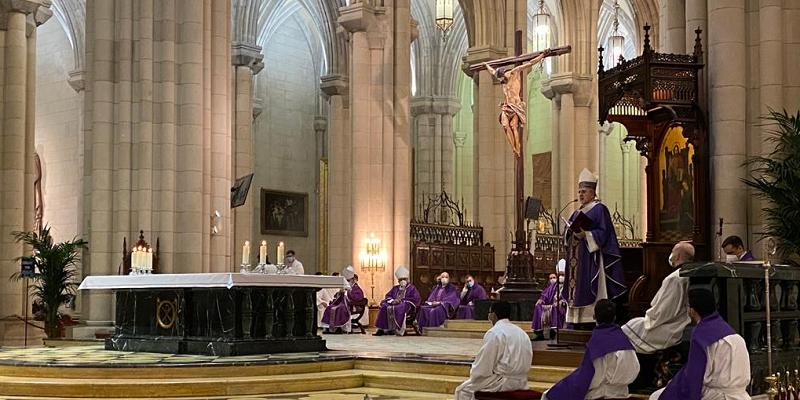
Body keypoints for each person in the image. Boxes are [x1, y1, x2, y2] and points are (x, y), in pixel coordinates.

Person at [649, 289, 750, 400]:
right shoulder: (733, 333)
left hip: (717, 396)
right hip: (741, 394)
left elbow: (695, 375)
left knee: (656, 396)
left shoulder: (701, 333)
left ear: (692, 310)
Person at [564, 168, 626, 326]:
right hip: (576, 261)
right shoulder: (576, 213)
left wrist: (587, 235)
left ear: (593, 192)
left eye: (584, 191)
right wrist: (570, 234)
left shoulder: (599, 209)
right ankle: (575, 320)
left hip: (591, 260)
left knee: (591, 289)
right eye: (579, 192)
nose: (580, 195)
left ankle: (590, 319)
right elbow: (569, 233)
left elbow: (604, 233)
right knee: (575, 289)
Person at [542, 299, 639, 400]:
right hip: (622, 392)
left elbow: (589, 377)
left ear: (594, 317)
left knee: (550, 395)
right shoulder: (625, 339)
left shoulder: (598, 342)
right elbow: (635, 369)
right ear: (614, 317)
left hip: (601, 395)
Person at [622, 241, 694, 353]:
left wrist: (649, 316)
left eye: (672, 252)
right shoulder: (690, 272)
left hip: (673, 326)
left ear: (678, 256)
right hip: (682, 320)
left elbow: (664, 311)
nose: (671, 255)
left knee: (628, 329)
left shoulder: (674, 278)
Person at [454, 301, 532, 400]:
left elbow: (484, 365)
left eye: (489, 313)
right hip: (522, 381)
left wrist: (475, 375)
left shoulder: (495, 332)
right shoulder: (522, 333)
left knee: (463, 390)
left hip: (501, 383)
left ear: (493, 315)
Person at [483, 52, 547, 158]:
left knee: (513, 126)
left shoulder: (514, 73)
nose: (501, 81)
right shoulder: (501, 77)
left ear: (504, 74)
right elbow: (492, 71)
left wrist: (541, 56)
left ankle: (518, 147)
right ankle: (513, 147)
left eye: (502, 79)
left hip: (516, 106)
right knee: (505, 125)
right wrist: (486, 65)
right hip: (507, 106)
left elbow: (529, 64)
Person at [374, 266, 421, 336]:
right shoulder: (395, 288)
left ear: (407, 279)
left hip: (405, 305)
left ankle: (397, 329)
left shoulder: (412, 288)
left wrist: (401, 301)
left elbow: (416, 299)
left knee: (400, 307)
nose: (402, 281)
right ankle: (382, 329)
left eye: (404, 279)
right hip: (394, 303)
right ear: (398, 281)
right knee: (384, 307)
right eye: (400, 279)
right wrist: (392, 300)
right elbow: (388, 296)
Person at [321, 266, 365, 333]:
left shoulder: (357, 289)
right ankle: (330, 328)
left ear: (353, 280)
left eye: (349, 280)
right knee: (330, 307)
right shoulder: (346, 286)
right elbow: (337, 296)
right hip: (342, 303)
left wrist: (349, 292)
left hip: (352, 306)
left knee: (340, 309)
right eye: (347, 280)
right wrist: (340, 293)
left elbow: (357, 298)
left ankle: (339, 328)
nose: (348, 282)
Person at [532, 259, 567, 339]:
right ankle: (539, 333)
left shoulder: (568, 285)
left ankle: (553, 331)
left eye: (563, 275)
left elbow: (569, 297)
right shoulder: (554, 285)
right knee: (538, 306)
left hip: (561, 305)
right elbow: (546, 294)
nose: (561, 277)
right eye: (560, 274)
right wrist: (541, 299)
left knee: (555, 307)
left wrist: (562, 301)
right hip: (552, 304)